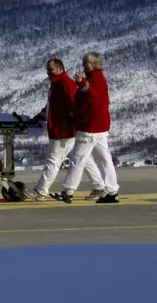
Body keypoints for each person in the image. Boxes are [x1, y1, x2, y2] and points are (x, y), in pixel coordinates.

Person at [23, 59, 105, 201]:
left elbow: (75, 103)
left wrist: (69, 121)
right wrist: (41, 116)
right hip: (66, 131)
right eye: (48, 70)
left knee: (53, 160)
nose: (48, 73)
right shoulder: (57, 84)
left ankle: (40, 191)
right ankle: (99, 187)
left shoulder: (64, 83)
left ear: (60, 68)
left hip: (63, 132)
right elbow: (53, 105)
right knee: (82, 159)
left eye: (51, 69)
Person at [61, 52, 120, 204]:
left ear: (94, 64)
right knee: (104, 159)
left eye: (87, 62)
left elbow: (92, 94)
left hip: (90, 127)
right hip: (100, 127)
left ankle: (68, 190)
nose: (84, 65)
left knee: (78, 159)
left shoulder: (96, 79)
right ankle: (112, 191)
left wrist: (81, 84)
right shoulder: (98, 79)